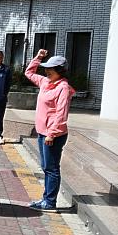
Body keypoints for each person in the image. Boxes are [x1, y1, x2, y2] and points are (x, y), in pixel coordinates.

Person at [24, 50, 75, 211]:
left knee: (51, 168)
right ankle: (45, 198)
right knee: (46, 166)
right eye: (46, 68)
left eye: (50, 69)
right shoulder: (45, 82)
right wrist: (39, 57)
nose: (47, 71)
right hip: (42, 132)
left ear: (60, 70)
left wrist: (51, 134)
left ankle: (50, 202)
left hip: (53, 135)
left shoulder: (63, 88)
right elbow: (29, 72)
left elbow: (61, 114)